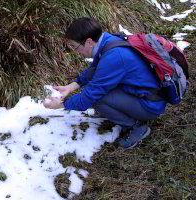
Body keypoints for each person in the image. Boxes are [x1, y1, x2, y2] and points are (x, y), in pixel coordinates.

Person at [43, 17, 167, 149]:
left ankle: (137, 127)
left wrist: (61, 104)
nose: (76, 51)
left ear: (89, 42)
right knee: (97, 87)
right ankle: (115, 111)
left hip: (150, 105)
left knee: (97, 99)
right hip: (144, 93)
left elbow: (89, 97)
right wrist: (71, 87)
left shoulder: (114, 57)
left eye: (76, 47)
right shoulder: (108, 40)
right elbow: (94, 69)